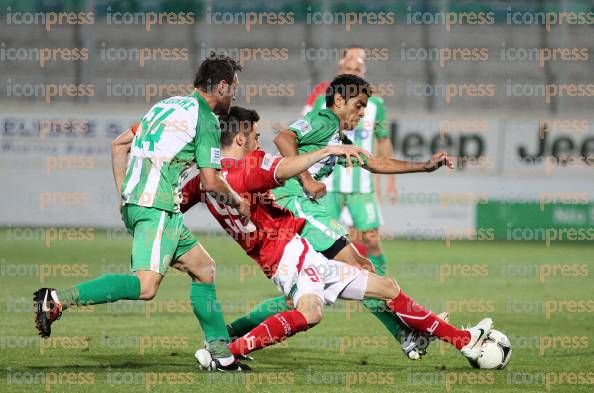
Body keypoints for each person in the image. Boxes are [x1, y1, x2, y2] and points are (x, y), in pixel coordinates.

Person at [180, 106, 492, 368]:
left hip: (295, 255)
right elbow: (283, 167)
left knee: (375, 290)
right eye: (255, 136)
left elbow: (173, 205)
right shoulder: (248, 166)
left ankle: (462, 341)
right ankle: (224, 353)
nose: (259, 142)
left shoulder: (202, 182)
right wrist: (326, 151)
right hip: (287, 256)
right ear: (240, 137)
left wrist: (175, 246)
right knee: (332, 298)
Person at [33, 55, 250, 371]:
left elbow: (119, 145)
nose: (234, 96)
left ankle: (221, 355)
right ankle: (56, 298)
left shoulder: (165, 107)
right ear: (220, 86)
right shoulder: (206, 119)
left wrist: (125, 194)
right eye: (233, 89)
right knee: (146, 286)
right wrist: (238, 201)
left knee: (204, 268)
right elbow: (211, 180)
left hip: (150, 206)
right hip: (156, 207)